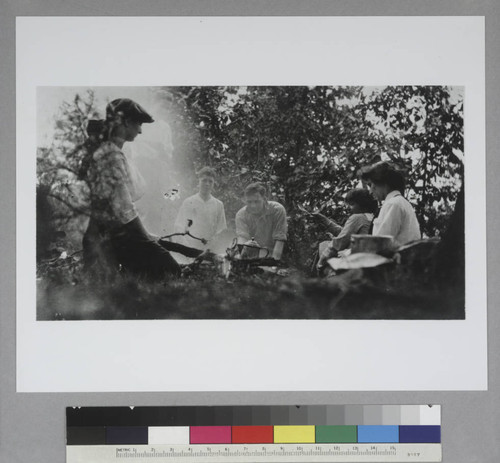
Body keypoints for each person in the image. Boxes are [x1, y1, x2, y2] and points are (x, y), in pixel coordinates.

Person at [81, 98, 182, 279]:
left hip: (112, 237)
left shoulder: (114, 152)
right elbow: (123, 208)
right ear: (126, 122)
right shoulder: (110, 156)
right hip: (110, 240)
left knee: (144, 280)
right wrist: (146, 238)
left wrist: (148, 237)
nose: (141, 131)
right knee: (170, 270)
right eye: (139, 124)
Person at [360, 161, 421, 247]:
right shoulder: (400, 202)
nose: (370, 191)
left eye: (372, 185)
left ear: (384, 184)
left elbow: (380, 243)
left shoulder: (393, 204)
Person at [316, 188, 378, 269]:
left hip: (354, 263)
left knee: (324, 245)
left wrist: (320, 263)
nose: (349, 207)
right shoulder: (371, 217)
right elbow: (346, 233)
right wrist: (325, 221)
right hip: (367, 260)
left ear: (362, 205)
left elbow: (339, 243)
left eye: (352, 204)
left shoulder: (357, 217)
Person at [173, 167, 227, 250]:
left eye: (210, 181)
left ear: (213, 183)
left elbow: (221, 230)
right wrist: (186, 246)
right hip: (189, 246)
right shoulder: (188, 202)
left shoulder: (218, 205)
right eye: (204, 180)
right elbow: (179, 226)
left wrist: (213, 245)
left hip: (210, 248)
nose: (207, 184)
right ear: (199, 181)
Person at [235, 182, 287, 260]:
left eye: (257, 201)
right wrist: (244, 249)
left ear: (264, 199)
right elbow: (242, 238)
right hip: (251, 255)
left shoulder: (277, 210)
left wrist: (274, 263)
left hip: (274, 254)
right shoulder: (241, 215)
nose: (253, 206)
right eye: (249, 202)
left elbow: (279, 239)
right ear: (245, 201)